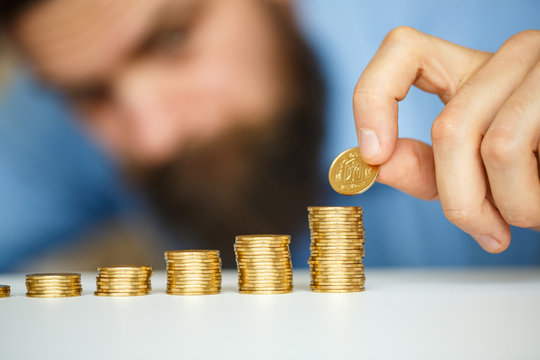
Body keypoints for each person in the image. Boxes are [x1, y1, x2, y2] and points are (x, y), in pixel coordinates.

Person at [0, 0, 538, 270]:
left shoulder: (504, 26)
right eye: (89, 94)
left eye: (171, 38)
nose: (154, 138)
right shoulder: (59, 99)